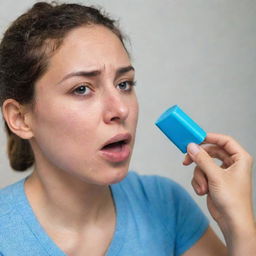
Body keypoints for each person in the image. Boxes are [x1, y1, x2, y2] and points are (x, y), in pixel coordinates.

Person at [0, 2, 255, 256]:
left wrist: (239, 224)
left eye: (124, 84)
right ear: (21, 119)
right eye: (81, 89)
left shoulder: (165, 204)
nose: (120, 109)